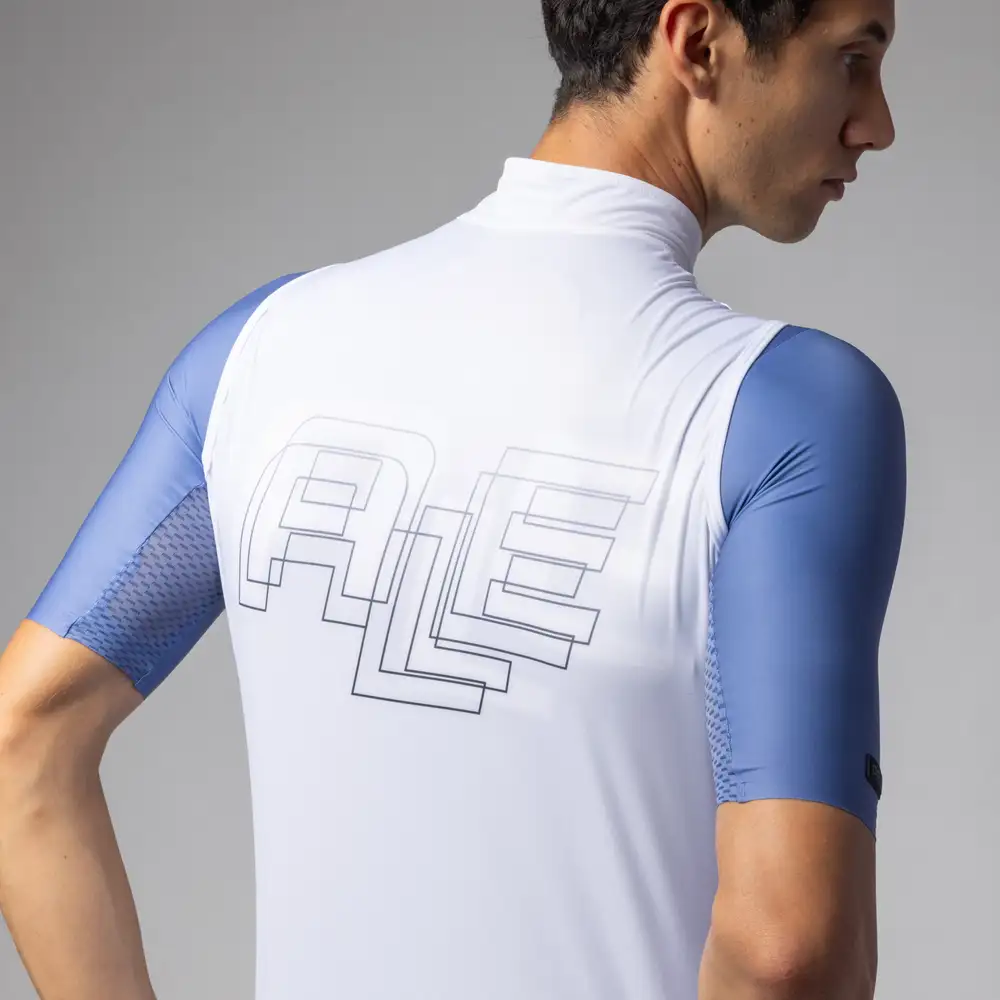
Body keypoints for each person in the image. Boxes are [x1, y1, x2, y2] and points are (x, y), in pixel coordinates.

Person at [0, 0, 905, 997]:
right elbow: (786, 950)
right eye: (852, 59)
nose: (877, 123)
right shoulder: (784, 410)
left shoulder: (256, 353)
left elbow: (23, 738)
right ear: (695, 42)